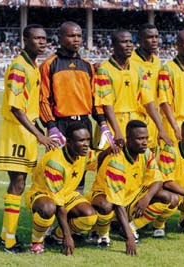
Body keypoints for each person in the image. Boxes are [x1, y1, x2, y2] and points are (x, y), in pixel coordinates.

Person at [0, 24, 58, 254]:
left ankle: (7, 235)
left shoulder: (33, 66)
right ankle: (8, 240)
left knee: (20, 183)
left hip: (27, 131)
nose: (42, 42)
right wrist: (39, 134)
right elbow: (15, 108)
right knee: (17, 183)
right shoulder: (19, 67)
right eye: (37, 38)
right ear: (25, 40)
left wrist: (45, 129)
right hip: (16, 132)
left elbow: (31, 106)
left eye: (44, 38)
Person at [39, 21, 119, 192]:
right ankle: (53, 210)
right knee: (57, 167)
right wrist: (51, 126)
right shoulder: (49, 64)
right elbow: (43, 99)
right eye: (71, 35)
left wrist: (103, 122)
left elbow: (94, 98)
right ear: (60, 38)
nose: (76, 39)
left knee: (80, 169)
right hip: (61, 124)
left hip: (84, 124)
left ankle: (75, 210)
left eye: (78, 36)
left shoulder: (87, 66)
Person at [87, 120, 178, 255]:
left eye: (146, 138)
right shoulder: (116, 160)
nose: (145, 142)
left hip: (130, 197)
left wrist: (146, 198)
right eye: (140, 138)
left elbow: (158, 180)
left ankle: (130, 227)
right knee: (106, 205)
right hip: (106, 197)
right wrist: (129, 238)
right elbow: (116, 202)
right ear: (128, 139)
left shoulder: (146, 153)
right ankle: (102, 234)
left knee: (169, 197)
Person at [25, 122, 98, 255]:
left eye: (88, 140)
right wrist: (68, 236)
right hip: (42, 194)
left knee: (90, 217)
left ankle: (56, 236)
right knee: (48, 208)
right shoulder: (55, 162)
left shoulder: (85, 154)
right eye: (81, 140)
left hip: (67, 194)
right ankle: (37, 241)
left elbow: (99, 161)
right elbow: (59, 205)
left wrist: (111, 150)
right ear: (69, 142)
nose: (86, 144)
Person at [93, 29, 172, 149]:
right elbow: (106, 105)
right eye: (124, 42)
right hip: (114, 122)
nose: (129, 45)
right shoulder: (104, 70)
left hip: (136, 123)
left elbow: (148, 101)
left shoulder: (139, 69)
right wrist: (117, 131)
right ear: (114, 45)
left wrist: (161, 129)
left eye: (130, 41)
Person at [130, 23, 161, 154]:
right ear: (140, 40)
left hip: (152, 117)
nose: (154, 40)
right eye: (150, 37)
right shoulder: (130, 60)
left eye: (156, 37)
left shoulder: (157, 62)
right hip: (135, 116)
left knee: (150, 160)